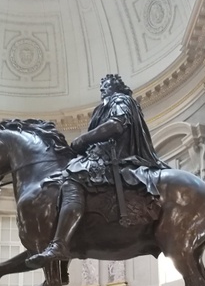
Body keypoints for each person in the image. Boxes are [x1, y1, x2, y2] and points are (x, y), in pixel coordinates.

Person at [26, 74, 168, 268]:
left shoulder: (120, 100)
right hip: (101, 156)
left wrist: (84, 139)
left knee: (72, 179)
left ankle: (60, 245)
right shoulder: (103, 108)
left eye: (106, 85)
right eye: (101, 87)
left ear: (116, 87)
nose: (102, 89)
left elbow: (116, 125)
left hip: (114, 157)